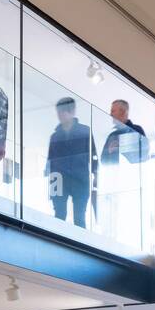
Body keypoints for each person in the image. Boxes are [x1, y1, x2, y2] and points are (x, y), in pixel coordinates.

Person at [44, 96, 97, 227]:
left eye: (63, 111)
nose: (60, 115)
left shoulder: (85, 131)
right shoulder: (55, 136)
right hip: (60, 180)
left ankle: (81, 245)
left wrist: (96, 176)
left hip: (80, 179)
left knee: (79, 217)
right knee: (59, 215)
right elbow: (50, 161)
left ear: (72, 111)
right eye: (59, 112)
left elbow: (93, 156)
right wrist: (51, 184)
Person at [99, 99, 149, 165]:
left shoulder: (137, 130)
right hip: (115, 173)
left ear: (123, 112)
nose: (110, 114)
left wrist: (121, 145)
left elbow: (143, 155)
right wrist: (110, 151)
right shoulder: (112, 136)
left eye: (113, 111)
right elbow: (104, 161)